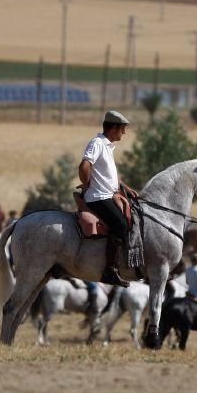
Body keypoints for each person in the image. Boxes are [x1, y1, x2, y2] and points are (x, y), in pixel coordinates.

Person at [78, 110, 137, 288]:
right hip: (98, 197)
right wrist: (87, 183)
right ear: (113, 128)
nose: (124, 133)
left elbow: (108, 174)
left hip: (107, 194)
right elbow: (84, 166)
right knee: (120, 224)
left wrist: (125, 187)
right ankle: (109, 271)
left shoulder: (107, 146)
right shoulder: (97, 143)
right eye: (122, 129)